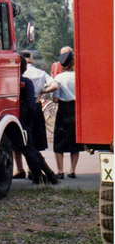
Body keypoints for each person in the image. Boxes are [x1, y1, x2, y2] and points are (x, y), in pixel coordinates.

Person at [14, 56, 59, 185]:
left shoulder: (10, 81)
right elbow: (31, 105)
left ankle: (41, 176)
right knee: (30, 148)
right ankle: (46, 175)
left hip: (14, 117)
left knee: (28, 148)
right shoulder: (27, 82)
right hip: (25, 117)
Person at [47, 50, 82, 179]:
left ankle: (60, 170)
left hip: (63, 109)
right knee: (75, 141)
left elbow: (55, 99)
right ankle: (72, 170)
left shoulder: (59, 78)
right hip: (76, 108)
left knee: (59, 141)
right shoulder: (78, 76)